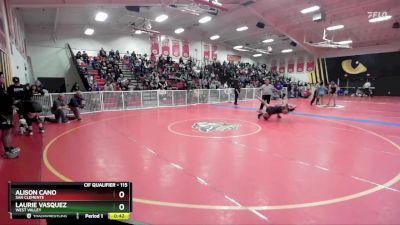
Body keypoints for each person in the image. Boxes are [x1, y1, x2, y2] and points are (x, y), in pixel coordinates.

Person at [0, 72, 21, 158]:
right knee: (6, 132)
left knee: (8, 131)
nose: (3, 78)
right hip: (2, 114)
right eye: (1, 77)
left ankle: (8, 148)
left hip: (7, 113)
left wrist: (13, 105)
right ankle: (7, 151)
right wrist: (12, 101)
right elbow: (3, 101)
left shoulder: (2, 88)